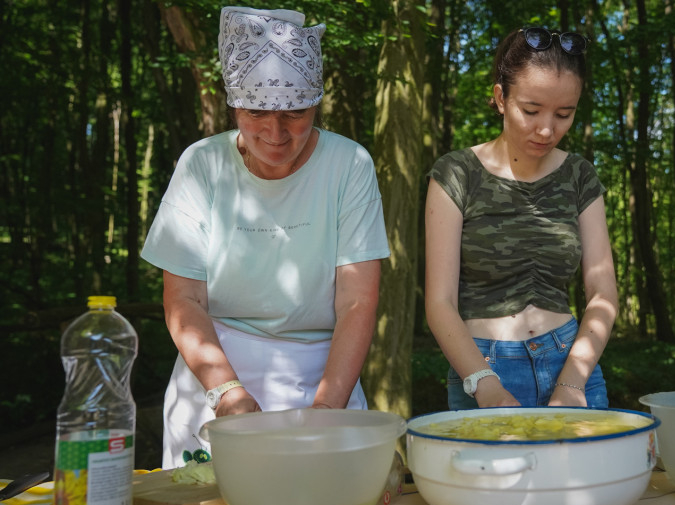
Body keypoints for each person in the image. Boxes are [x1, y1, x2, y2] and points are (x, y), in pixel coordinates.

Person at [141, 6, 390, 468]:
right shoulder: (202, 165)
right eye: (257, 111)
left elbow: (357, 300)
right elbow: (184, 298)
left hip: (326, 375)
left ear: (316, 105)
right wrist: (227, 392)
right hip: (214, 372)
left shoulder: (348, 165)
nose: (276, 132)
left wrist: (326, 410)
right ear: (234, 106)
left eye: (295, 113)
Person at [424, 27, 617, 410]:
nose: (547, 129)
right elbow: (440, 302)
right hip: (481, 369)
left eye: (564, 114)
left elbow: (603, 293)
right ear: (500, 98)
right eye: (531, 110)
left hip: (573, 365)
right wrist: (485, 385)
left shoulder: (580, 175)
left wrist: (573, 382)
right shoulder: (457, 173)